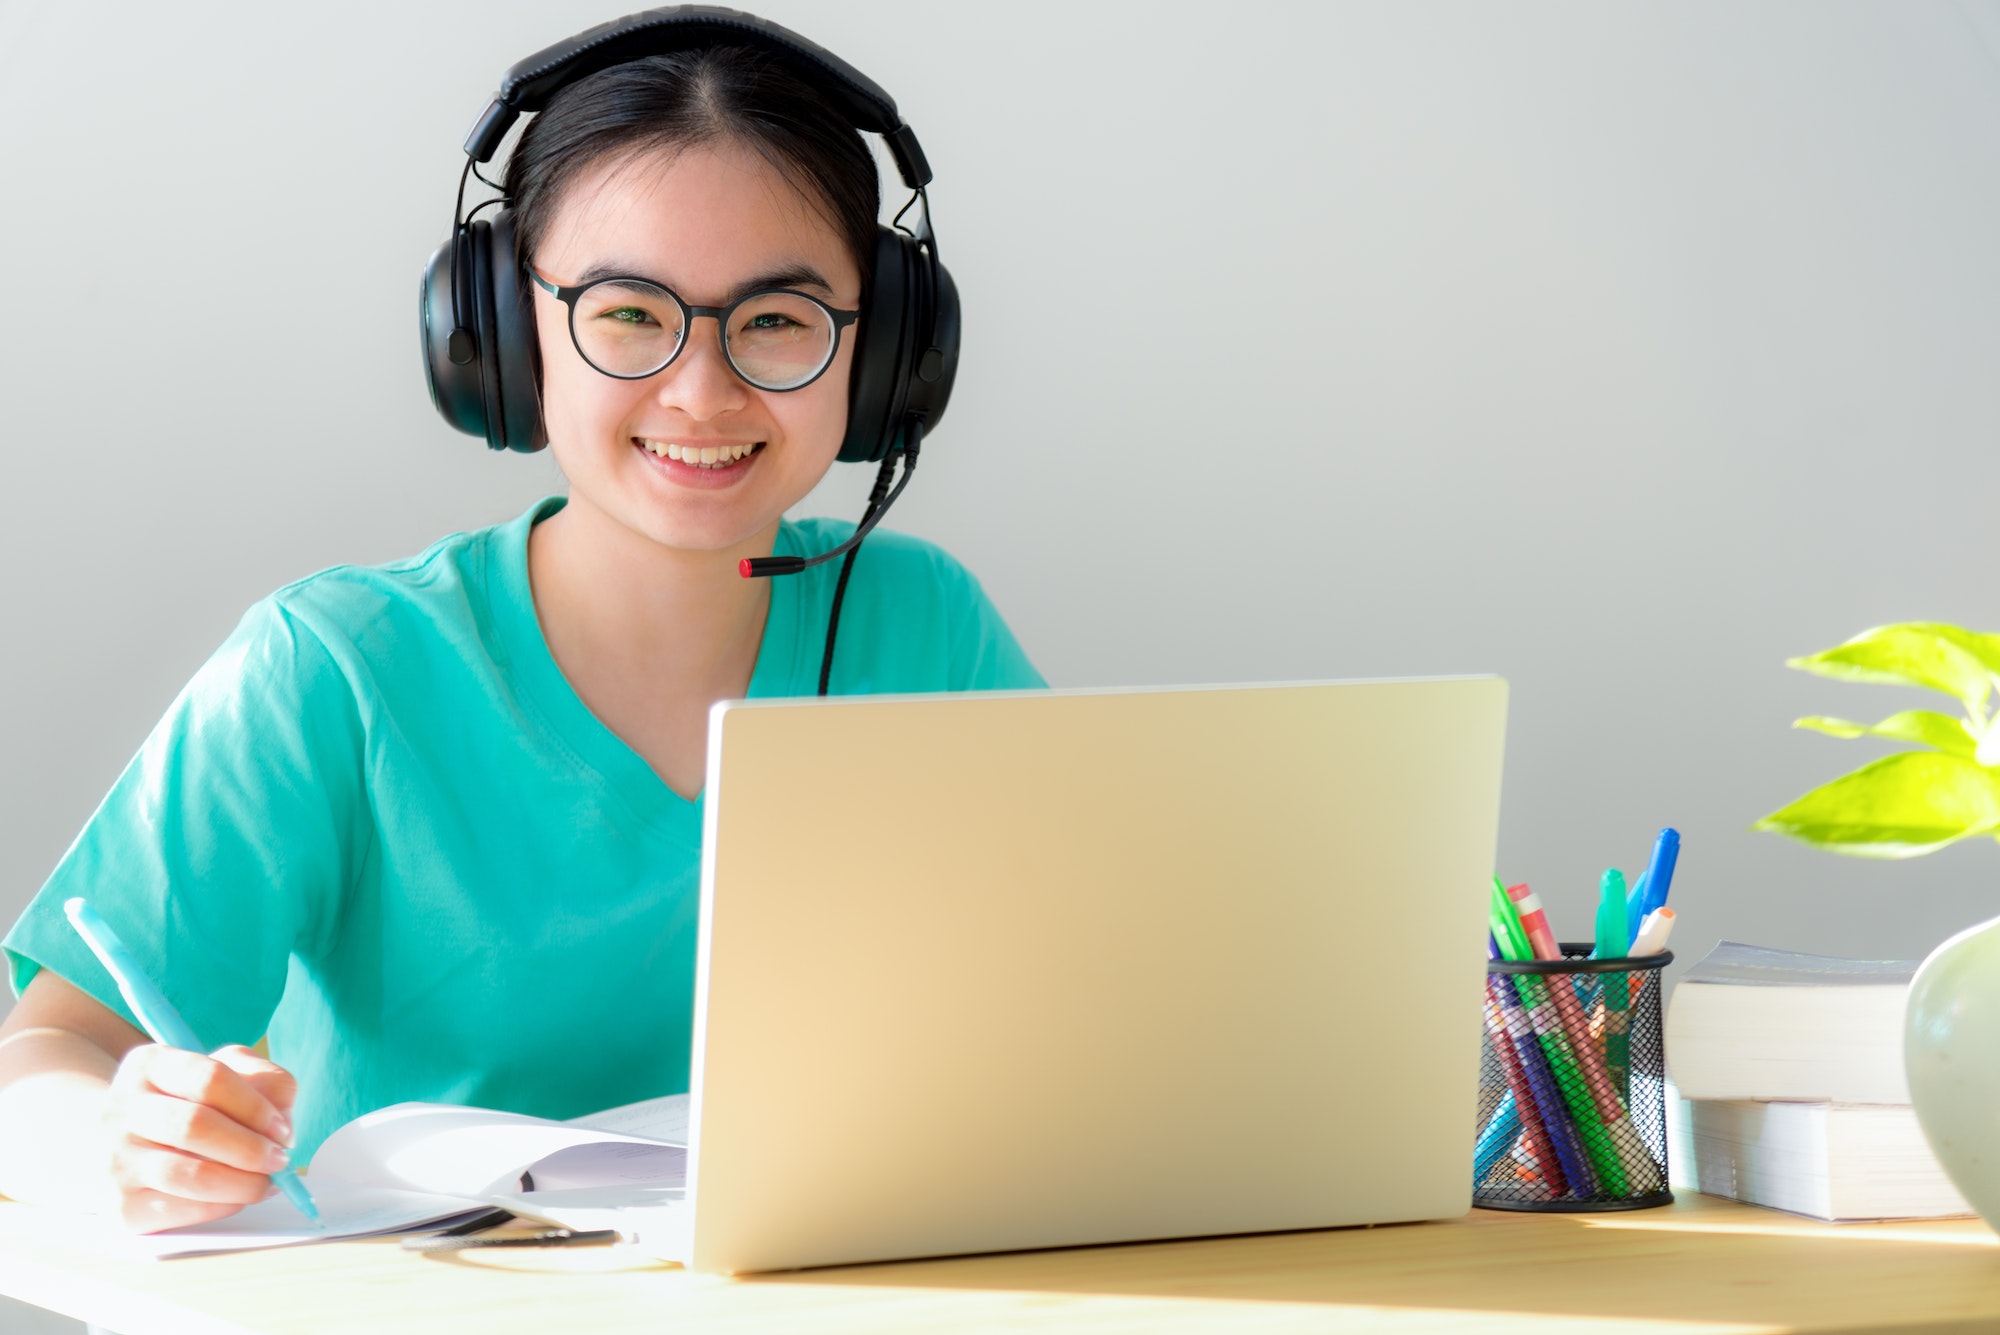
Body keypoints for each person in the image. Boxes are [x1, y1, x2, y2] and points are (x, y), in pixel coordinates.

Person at [0, 21, 1040, 1233]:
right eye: (627, 313)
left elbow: (1096, 993)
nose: (702, 393)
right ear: (496, 332)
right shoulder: (334, 667)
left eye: (775, 322)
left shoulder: (925, 627)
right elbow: (41, 1061)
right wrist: (121, 1133)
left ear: (884, 355)